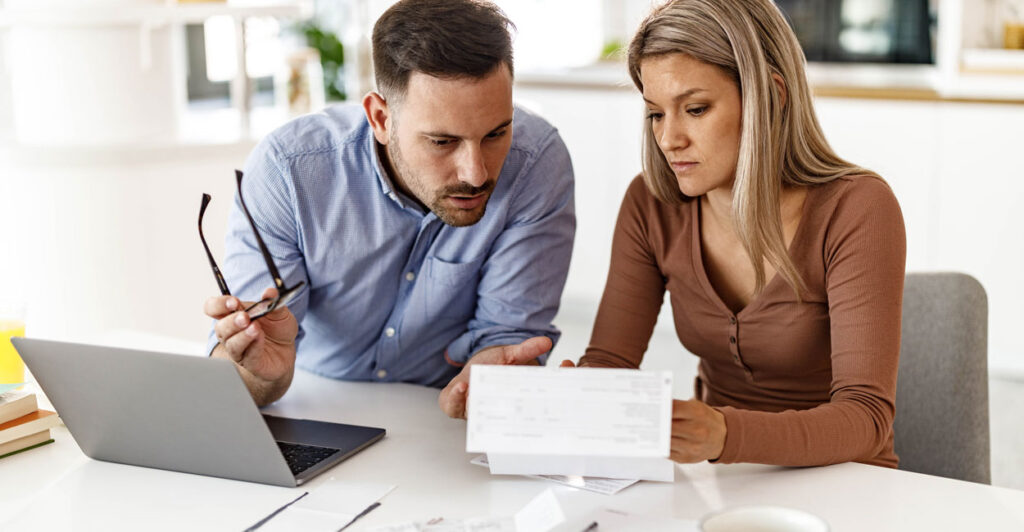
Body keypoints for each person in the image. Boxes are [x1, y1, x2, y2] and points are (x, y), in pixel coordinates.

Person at [567, 0, 906, 468]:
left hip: (844, 479)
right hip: (719, 480)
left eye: (696, 108)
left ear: (772, 95)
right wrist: (574, 395)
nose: (668, 139)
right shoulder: (652, 205)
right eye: (655, 114)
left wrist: (726, 435)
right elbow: (610, 363)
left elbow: (866, 419)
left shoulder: (857, 208)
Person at [202, 0, 575, 414]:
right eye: (442, 142)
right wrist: (256, 375)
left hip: (439, 416)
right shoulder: (288, 172)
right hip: (316, 401)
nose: (475, 172)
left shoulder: (536, 162)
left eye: (496, 133)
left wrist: (493, 383)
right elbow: (249, 369)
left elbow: (507, 341)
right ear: (380, 118)